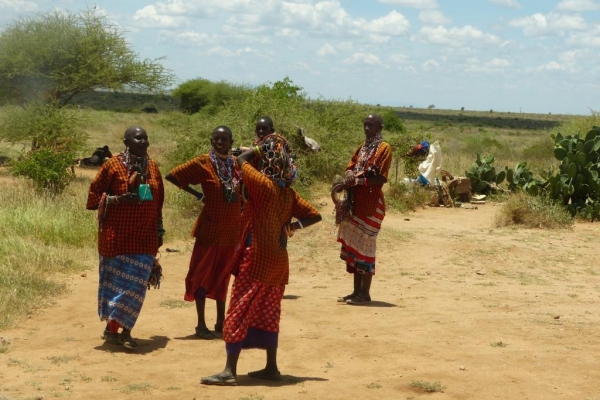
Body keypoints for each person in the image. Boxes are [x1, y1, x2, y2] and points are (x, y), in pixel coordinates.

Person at [200, 132, 322, 386]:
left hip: (255, 260)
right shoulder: (288, 194)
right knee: (268, 312)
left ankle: (229, 371)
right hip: (278, 263)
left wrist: (259, 149)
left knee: (237, 311)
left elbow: (241, 160)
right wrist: (290, 228)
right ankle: (271, 368)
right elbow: (314, 215)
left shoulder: (262, 186)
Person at [86, 126, 165, 349]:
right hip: (116, 239)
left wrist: (159, 231)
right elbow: (93, 200)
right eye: (138, 138)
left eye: (146, 138)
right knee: (115, 287)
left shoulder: (152, 167)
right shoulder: (112, 165)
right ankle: (112, 329)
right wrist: (117, 200)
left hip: (145, 239)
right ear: (126, 141)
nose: (143, 142)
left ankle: (126, 331)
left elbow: (159, 203)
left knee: (136, 288)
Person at [165, 126, 242, 340]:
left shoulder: (235, 164)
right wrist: (198, 195)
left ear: (231, 141)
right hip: (209, 229)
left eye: (224, 139)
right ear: (211, 141)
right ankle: (200, 325)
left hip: (230, 230)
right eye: (216, 139)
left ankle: (220, 322)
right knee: (201, 274)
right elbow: (172, 175)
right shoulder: (202, 162)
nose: (220, 143)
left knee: (223, 274)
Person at [337, 114, 392, 305]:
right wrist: (350, 174)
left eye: (371, 125)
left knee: (366, 248)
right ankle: (356, 292)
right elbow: (351, 165)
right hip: (357, 204)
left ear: (380, 127)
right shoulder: (363, 147)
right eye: (365, 125)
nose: (367, 128)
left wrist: (357, 180)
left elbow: (381, 179)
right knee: (354, 248)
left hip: (371, 205)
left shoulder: (384, 149)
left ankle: (365, 294)